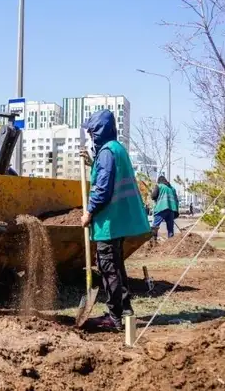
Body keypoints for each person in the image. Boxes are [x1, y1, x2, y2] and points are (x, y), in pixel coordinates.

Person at [81, 109, 151, 331]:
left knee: (108, 267)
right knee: (117, 267)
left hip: (108, 222)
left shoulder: (106, 153)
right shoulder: (116, 149)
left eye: (92, 132)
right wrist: (92, 163)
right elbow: (108, 174)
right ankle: (126, 310)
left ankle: (114, 317)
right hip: (118, 222)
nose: (90, 136)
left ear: (99, 131)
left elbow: (102, 188)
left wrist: (89, 212)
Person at [151, 175, 179, 239]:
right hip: (171, 210)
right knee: (170, 229)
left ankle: (153, 242)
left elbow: (153, 196)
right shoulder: (172, 188)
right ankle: (171, 242)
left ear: (159, 181)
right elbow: (176, 200)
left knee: (155, 226)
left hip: (161, 208)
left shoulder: (159, 186)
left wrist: (153, 195)